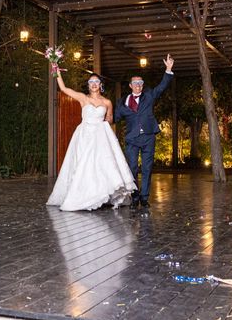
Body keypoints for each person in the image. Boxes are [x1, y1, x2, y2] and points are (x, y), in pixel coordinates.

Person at [46, 71, 136, 211]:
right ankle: (83, 195)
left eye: (96, 82)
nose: (94, 84)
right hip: (84, 135)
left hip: (100, 136)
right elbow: (64, 88)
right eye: (91, 82)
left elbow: (110, 118)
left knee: (100, 165)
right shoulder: (83, 98)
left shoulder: (107, 102)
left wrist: (109, 119)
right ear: (88, 85)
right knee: (83, 165)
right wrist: (57, 71)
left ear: (100, 85)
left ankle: (100, 194)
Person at [115, 54, 174, 208]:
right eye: (135, 83)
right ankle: (134, 196)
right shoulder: (123, 102)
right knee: (132, 167)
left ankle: (144, 197)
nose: (138, 85)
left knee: (147, 169)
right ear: (130, 85)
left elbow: (161, 87)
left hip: (148, 137)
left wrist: (168, 69)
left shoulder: (149, 96)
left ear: (142, 84)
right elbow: (114, 117)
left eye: (140, 83)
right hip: (132, 139)